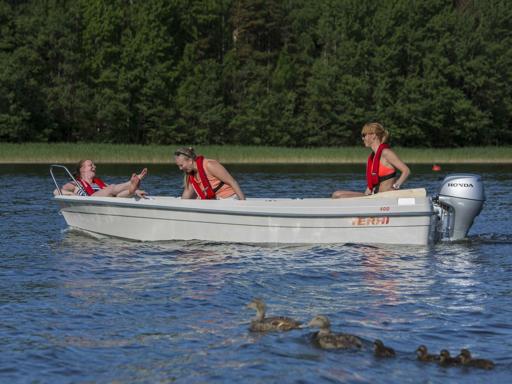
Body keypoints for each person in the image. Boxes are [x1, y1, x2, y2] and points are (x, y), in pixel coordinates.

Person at [332, 122, 410, 198]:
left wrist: (395, 187)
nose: (362, 138)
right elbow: (371, 184)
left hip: (385, 197)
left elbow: (406, 171)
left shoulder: (386, 152)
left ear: (373, 135)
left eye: (364, 135)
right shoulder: (372, 158)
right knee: (336, 194)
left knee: (341, 197)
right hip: (374, 196)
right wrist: (365, 197)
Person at [174, 147, 245, 200]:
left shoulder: (209, 165)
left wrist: (243, 203)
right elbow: (187, 193)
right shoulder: (191, 174)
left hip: (230, 199)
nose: (180, 168)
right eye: (178, 166)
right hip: (215, 201)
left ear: (190, 161)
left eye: (181, 165)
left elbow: (232, 182)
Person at [53, 159, 147, 198]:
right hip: (91, 200)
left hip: (104, 201)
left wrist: (135, 192)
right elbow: (56, 191)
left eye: (94, 165)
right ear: (82, 169)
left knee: (120, 194)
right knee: (111, 188)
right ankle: (130, 182)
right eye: (91, 165)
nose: (94, 166)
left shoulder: (98, 182)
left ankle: (132, 187)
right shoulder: (75, 184)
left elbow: (116, 191)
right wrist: (73, 196)